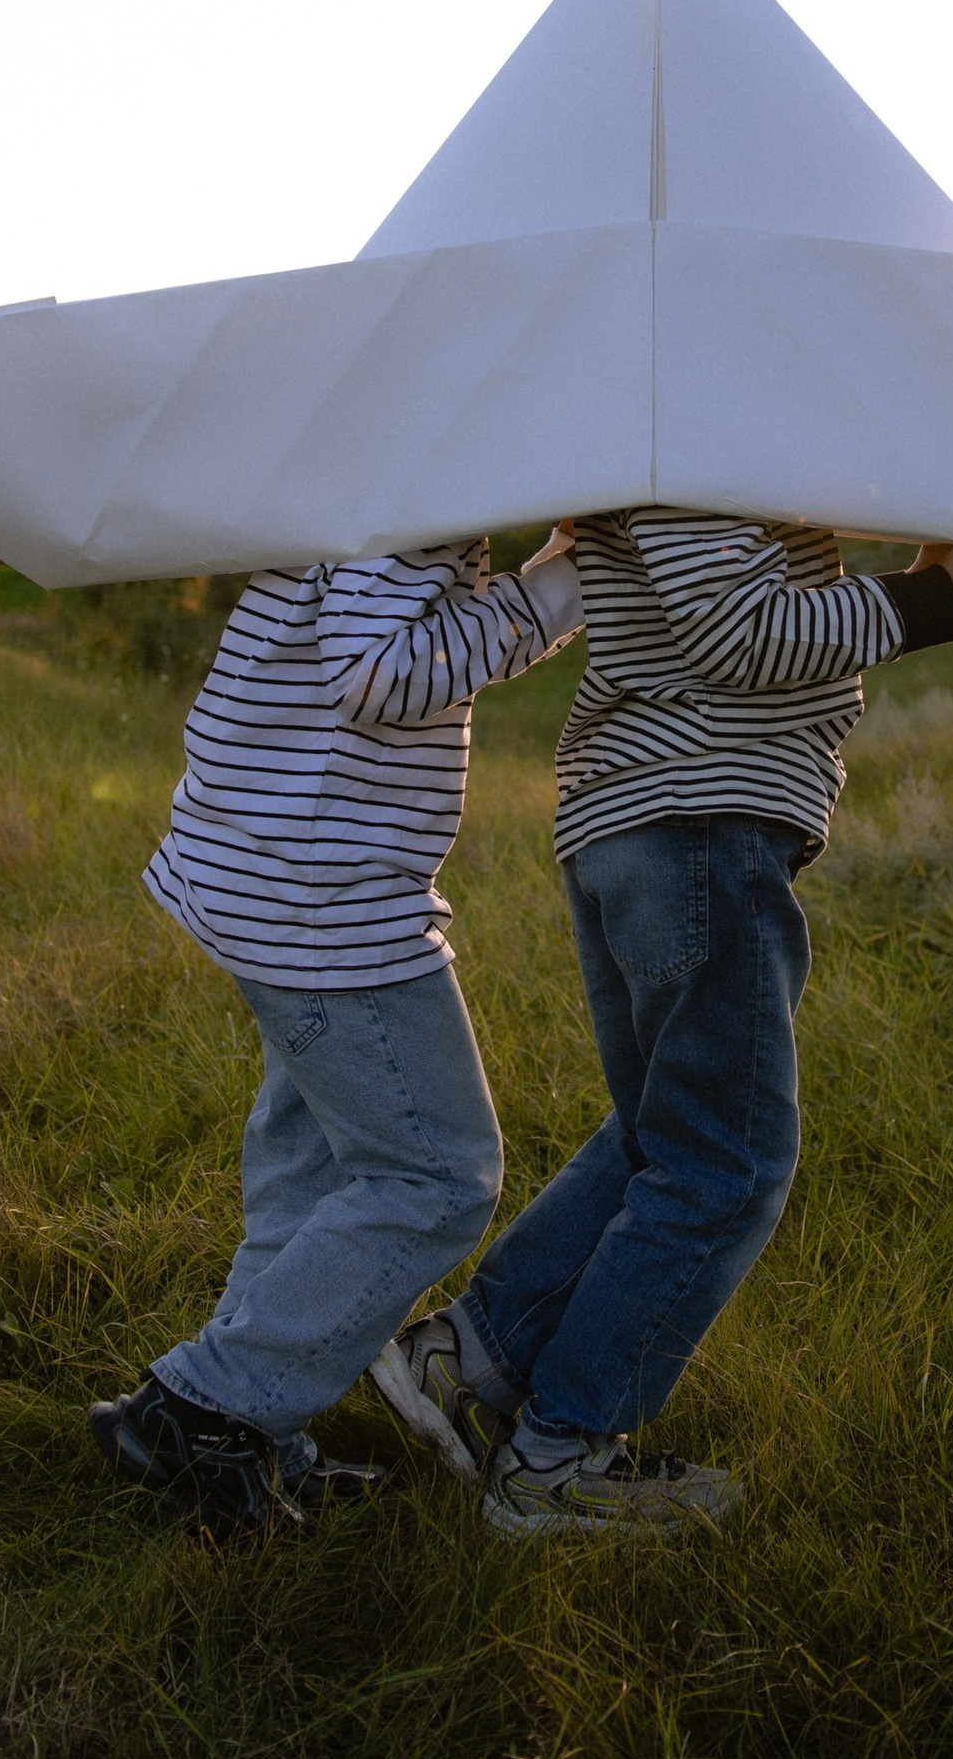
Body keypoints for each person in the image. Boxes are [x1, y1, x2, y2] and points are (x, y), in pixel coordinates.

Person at [370, 492, 953, 1536]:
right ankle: (559, 1457)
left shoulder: (694, 425)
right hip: (693, 826)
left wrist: (928, 578)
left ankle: (470, 1355)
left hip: (656, 822)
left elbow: (751, 639)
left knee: (668, 1132)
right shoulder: (690, 428)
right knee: (726, 1160)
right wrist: (934, 600)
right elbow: (735, 633)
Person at [90, 529, 583, 1536]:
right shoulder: (415, 485)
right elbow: (375, 671)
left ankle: (251, 1433)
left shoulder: (372, 473)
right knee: (438, 1175)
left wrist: (538, 581)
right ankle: (204, 1407)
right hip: (321, 906)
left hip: (275, 883)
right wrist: (563, 591)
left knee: (315, 1176)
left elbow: (383, 640)